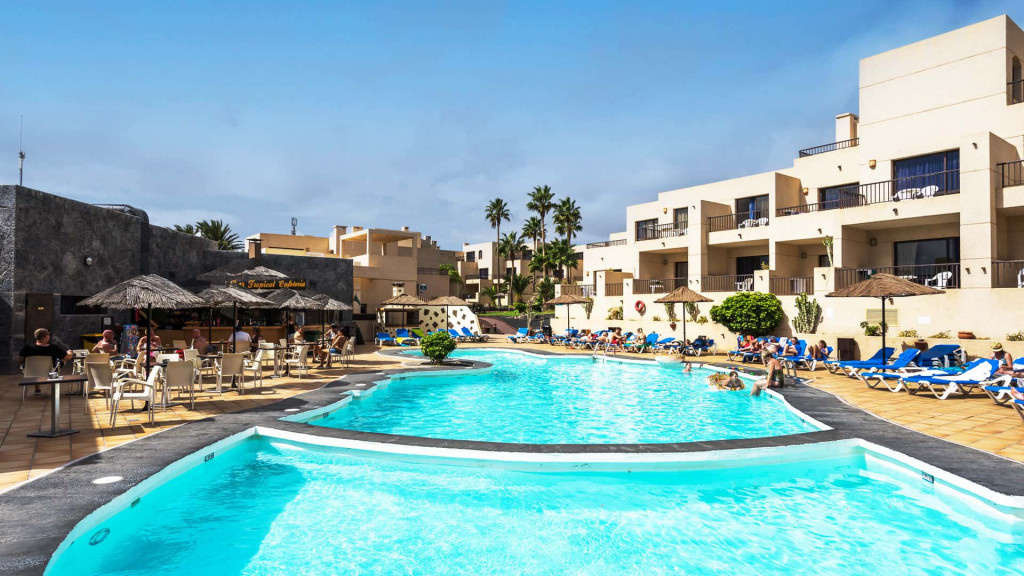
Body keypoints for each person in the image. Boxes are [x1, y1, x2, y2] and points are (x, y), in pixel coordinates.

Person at [20, 328, 73, 394]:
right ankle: (54, 390)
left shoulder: (27, 348)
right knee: (63, 359)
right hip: (50, 373)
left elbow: (20, 359)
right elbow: (68, 357)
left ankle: (37, 388)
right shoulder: (53, 348)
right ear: (46, 336)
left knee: (36, 366)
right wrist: (70, 352)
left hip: (30, 372)